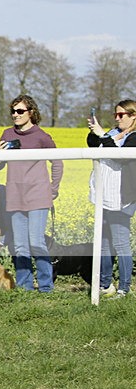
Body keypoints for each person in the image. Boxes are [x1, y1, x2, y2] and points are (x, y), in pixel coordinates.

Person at [0, 94, 63, 293]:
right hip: (15, 196)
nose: (15, 115)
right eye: (13, 111)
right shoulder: (7, 134)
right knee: (21, 246)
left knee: (37, 242)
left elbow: (58, 161)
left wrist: (53, 188)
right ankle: (25, 288)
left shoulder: (42, 136)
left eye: (20, 111)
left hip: (38, 196)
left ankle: (46, 287)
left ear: (31, 113)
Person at [87, 99, 136, 299]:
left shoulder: (134, 137)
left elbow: (119, 155)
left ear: (134, 116)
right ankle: (106, 284)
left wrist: (102, 135)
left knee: (121, 242)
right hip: (103, 194)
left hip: (121, 196)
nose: (117, 119)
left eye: (121, 115)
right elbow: (93, 145)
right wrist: (94, 132)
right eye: (115, 115)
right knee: (104, 242)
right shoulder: (113, 133)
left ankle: (125, 287)